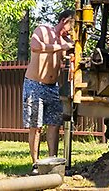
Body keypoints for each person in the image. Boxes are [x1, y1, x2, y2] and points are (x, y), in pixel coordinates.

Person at [24, 9, 75, 166]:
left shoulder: (64, 40)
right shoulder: (43, 30)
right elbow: (35, 46)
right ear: (64, 21)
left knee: (54, 124)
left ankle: (52, 161)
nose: (72, 30)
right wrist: (60, 46)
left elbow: (66, 59)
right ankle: (36, 163)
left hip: (52, 87)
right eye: (72, 25)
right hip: (34, 85)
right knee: (36, 126)